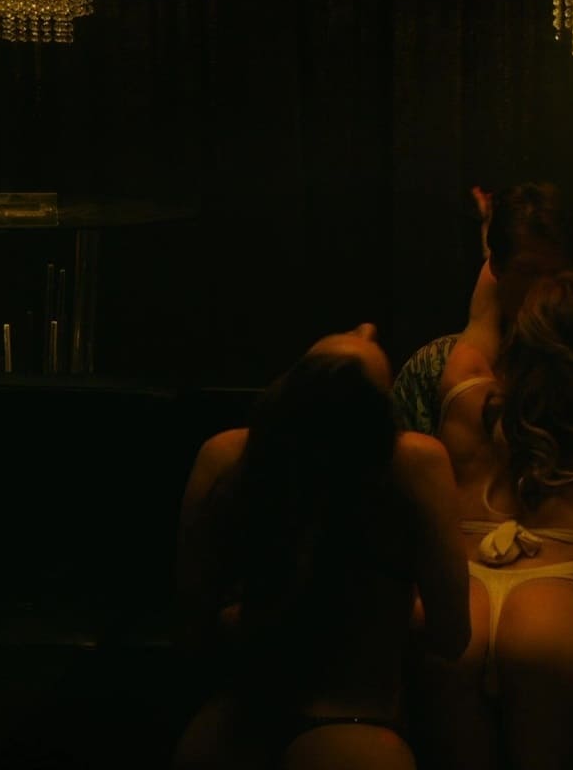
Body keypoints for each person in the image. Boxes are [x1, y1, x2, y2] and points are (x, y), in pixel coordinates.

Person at [391, 182, 573, 769]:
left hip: (482, 597)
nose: (539, 290)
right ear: (498, 268)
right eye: (527, 272)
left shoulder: (464, 383)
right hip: (535, 593)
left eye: (556, 274)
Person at [172, 323, 471, 770]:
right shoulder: (413, 463)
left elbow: (192, 623)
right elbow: (452, 636)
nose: (366, 331)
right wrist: (389, 613)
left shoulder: (226, 455)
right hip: (354, 731)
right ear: (380, 415)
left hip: (234, 722)